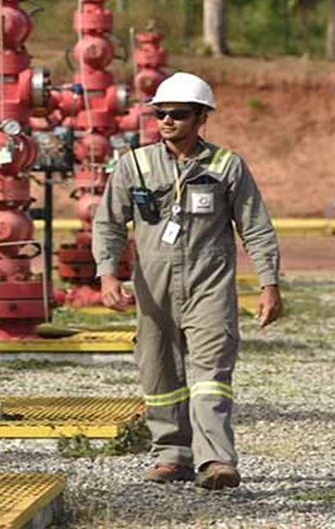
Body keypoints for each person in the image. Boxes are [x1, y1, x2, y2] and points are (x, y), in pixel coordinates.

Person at [92, 71, 282, 491]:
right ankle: (171, 455)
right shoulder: (134, 165)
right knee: (158, 371)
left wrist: (269, 284)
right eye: (161, 114)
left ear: (201, 118)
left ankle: (215, 460)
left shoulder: (227, 167)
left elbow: (256, 227)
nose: (167, 122)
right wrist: (108, 275)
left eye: (178, 114)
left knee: (211, 372)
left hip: (208, 283)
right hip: (152, 285)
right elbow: (107, 223)